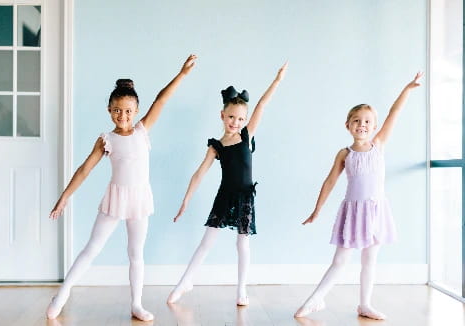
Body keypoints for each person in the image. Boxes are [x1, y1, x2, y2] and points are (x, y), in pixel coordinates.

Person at [46, 54, 197, 321]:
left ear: (136, 111)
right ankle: (63, 293)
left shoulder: (142, 131)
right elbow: (84, 170)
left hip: (139, 200)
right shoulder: (106, 140)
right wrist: (64, 197)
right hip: (115, 199)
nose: (122, 116)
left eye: (128, 111)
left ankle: (136, 304)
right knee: (91, 249)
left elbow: (161, 99)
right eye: (117, 110)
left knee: (136, 254)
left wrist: (182, 74)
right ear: (109, 110)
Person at [295, 72, 423, 320]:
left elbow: (393, 114)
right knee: (341, 260)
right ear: (348, 125)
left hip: (375, 210)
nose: (362, 125)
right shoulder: (345, 154)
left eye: (367, 121)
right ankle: (315, 299)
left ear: (373, 127)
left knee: (370, 259)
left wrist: (407, 88)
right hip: (353, 212)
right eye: (356, 121)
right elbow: (330, 181)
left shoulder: (379, 145)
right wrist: (317, 210)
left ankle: (365, 304)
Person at [167, 62, 288, 306]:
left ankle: (241, 290)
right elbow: (199, 174)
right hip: (224, 196)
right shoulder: (217, 146)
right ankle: (184, 282)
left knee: (242, 243)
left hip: (245, 197)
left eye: (240, 118)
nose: (235, 122)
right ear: (222, 116)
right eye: (231, 117)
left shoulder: (246, 135)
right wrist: (185, 201)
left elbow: (262, 104)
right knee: (206, 242)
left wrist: (277, 80)